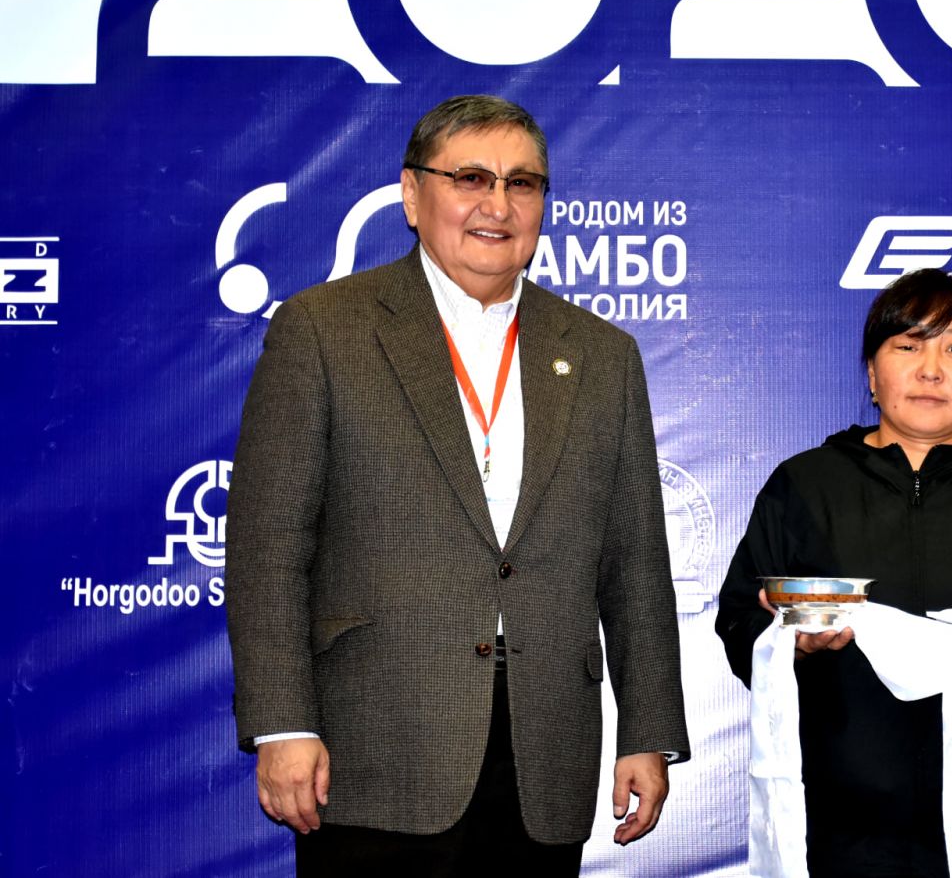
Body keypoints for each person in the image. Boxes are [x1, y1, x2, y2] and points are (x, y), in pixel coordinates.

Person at [226, 95, 690, 876]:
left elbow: (634, 561)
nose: (497, 205)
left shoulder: (604, 356)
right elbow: (268, 547)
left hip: (544, 755)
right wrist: (282, 723)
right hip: (373, 751)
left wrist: (649, 730)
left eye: (522, 183)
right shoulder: (323, 330)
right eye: (471, 177)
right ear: (413, 195)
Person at [716, 268, 952, 878]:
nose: (931, 370)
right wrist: (794, 643)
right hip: (839, 827)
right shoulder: (805, 485)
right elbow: (739, 622)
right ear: (873, 374)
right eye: (908, 345)